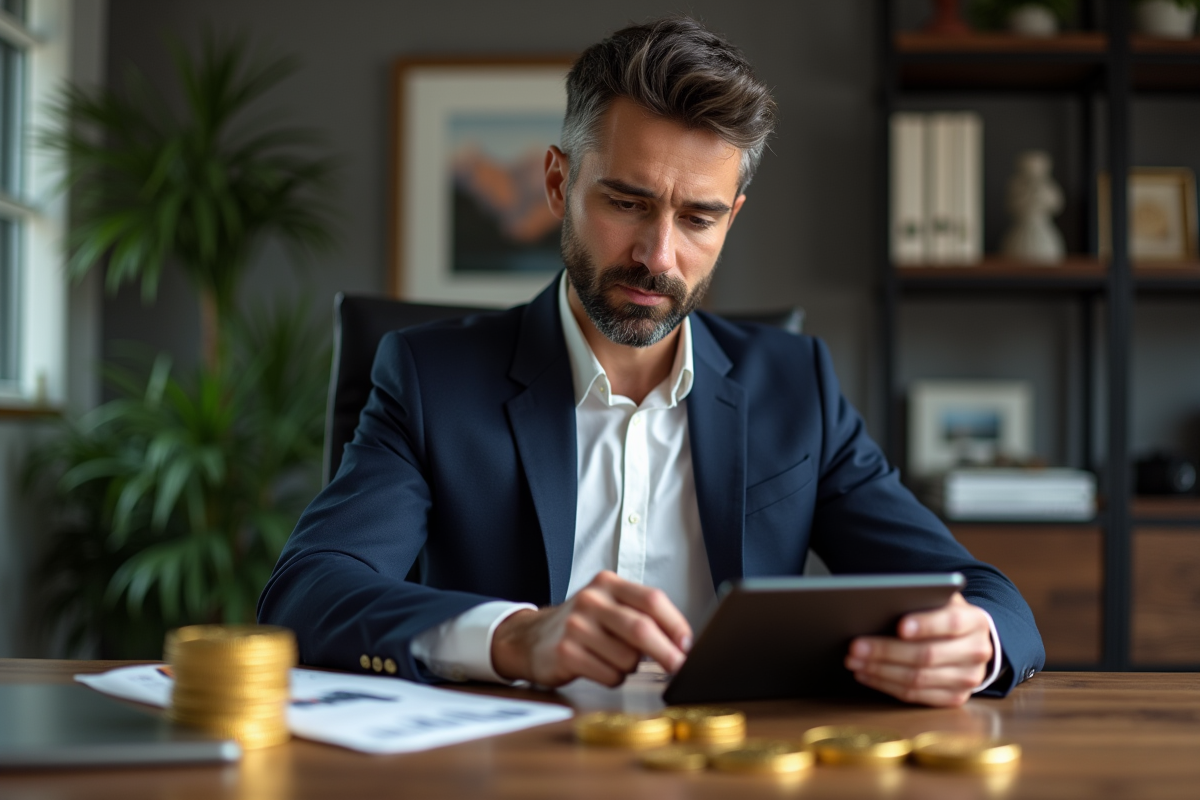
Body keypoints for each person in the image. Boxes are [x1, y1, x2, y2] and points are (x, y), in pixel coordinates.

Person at [258, 17, 1044, 707]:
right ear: (559, 180)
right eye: (627, 203)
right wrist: (516, 638)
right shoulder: (430, 380)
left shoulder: (795, 387)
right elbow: (308, 592)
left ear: (732, 219)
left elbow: (988, 597)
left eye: (698, 217)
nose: (656, 255)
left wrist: (972, 643)